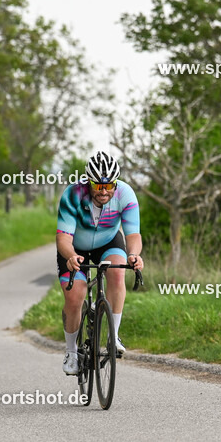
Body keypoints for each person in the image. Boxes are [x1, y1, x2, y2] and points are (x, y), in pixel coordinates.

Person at [56, 151, 143, 375]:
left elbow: (133, 234)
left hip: (108, 241)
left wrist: (134, 254)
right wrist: (71, 256)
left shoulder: (125, 194)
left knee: (117, 273)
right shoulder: (73, 194)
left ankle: (113, 336)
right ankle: (71, 352)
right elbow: (63, 238)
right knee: (75, 295)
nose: (104, 191)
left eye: (109, 186)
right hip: (76, 246)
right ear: (88, 182)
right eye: (98, 186)